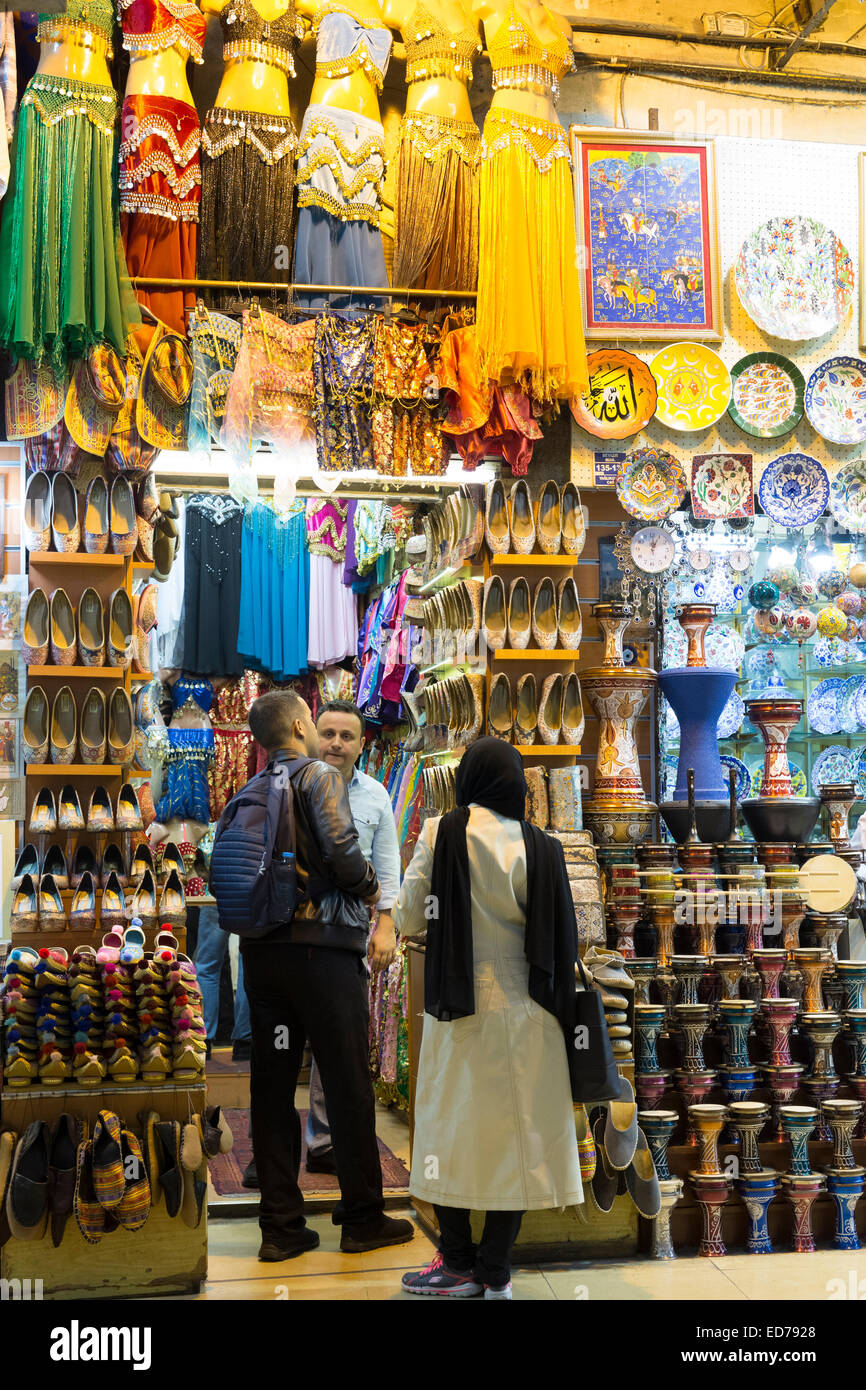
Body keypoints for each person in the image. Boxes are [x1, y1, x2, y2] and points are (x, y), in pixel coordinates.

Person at [394, 737, 583, 1299]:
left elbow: (407, 915)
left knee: (448, 1130)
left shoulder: (440, 831)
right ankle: (495, 1272)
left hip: (462, 1000)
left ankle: (456, 1263)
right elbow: (560, 935)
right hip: (531, 1007)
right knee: (519, 1139)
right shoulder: (542, 846)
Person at [240, 689, 415, 1261]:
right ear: (298, 724)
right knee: (346, 1082)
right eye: (317, 724)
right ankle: (362, 1218)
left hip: (264, 955)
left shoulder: (250, 789)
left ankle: (281, 1228)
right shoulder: (319, 778)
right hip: (324, 952)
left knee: (270, 1087)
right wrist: (368, 891)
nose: (326, 736)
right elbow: (341, 852)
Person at [304, 699, 402, 1173]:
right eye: (328, 733)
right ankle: (276, 1144)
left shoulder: (376, 796)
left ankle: (324, 1140)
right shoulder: (292, 785)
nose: (336, 744)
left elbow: (387, 870)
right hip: (292, 932)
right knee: (283, 1041)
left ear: (362, 744)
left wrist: (386, 926)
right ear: (311, 735)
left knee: (338, 1040)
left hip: (346, 936)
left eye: (346, 736)